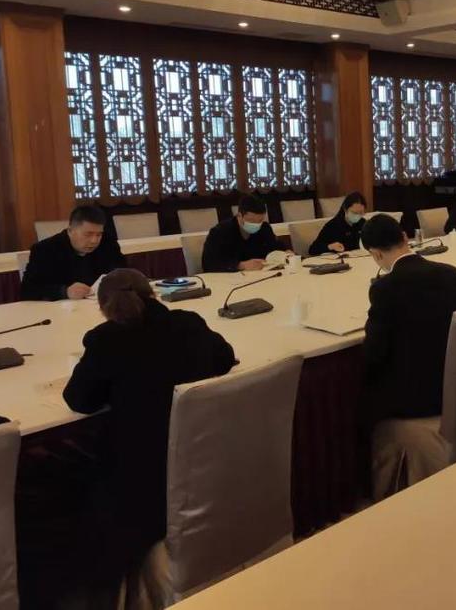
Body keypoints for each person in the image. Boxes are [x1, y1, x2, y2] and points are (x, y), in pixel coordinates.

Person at [61, 268, 235, 597]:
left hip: (138, 480)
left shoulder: (105, 339)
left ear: (104, 307)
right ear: (153, 294)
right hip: (199, 459)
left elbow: (79, 400)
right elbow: (225, 359)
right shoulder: (188, 323)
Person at [360, 214, 456, 423]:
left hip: (414, 397)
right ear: (405, 237)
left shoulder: (384, 288)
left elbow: (374, 352)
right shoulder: (450, 273)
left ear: (376, 254)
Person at [21, 205, 126, 301]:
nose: (94, 241)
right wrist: (65, 291)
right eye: (88, 234)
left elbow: (123, 272)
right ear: (70, 231)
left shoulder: (108, 243)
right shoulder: (45, 249)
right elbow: (27, 290)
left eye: (99, 234)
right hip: (61, 310)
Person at [201, 194, 277, 272]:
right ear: (239, 216)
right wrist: (240, 265)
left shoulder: (264, 228)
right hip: (229, 277)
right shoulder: (220, 232)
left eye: (260, 221)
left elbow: (275, 249)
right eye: (251, 221)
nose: (256, 224)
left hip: (260, 275)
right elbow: (209, 264)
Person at [310, 191, 367, 256]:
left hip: (360, 258)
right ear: (345, 209)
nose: (358, 216)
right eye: (354, 213)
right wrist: (330, 246)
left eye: (361, 213)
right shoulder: (333, 225)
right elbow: (313, 249)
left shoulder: (363, 223)